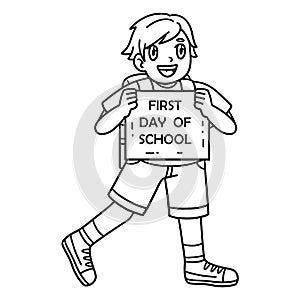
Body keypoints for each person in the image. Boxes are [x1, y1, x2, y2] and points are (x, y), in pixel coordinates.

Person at [62, 13, 238, 287]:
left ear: (191, 54)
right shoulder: (134, 89)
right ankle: (81, 240)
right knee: (125, 207)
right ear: (141, 60)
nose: (169, 61)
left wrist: (210, 110)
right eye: (156, 52)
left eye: (179, 51)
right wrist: (122, 108)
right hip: (144, 160)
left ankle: (196, 264)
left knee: (191, 210)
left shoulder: (197, 91)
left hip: (188, 161)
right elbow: (102, 126)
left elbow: (229, 127)